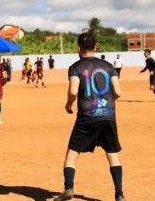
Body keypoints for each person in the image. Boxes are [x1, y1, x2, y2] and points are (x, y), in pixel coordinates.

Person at [55, 33, 126, 201]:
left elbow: (73, 91)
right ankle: (119, 194)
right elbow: (118, 92)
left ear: (79, 49)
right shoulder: (109, 66)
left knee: (72, 153)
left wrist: (68, 104)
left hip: (87, 116)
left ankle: (68, 188)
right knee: (112, 154)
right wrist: (105, 103)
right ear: (95, 47)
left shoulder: (75, 67)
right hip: (108, 115)